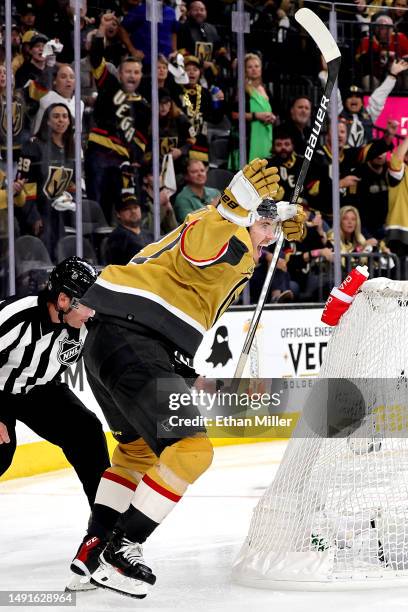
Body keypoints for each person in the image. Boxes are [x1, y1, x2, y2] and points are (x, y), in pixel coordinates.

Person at [68, 158, 306, 598]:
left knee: (136, 455)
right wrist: (235, 210)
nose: (271, 239)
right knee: (192, 450)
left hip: (111, 344)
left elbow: (207, 257)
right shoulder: (222, 229)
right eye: (266, 228)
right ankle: (124, 549)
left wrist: (280, 218)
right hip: (135, 341)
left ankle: (92, 549)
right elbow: (204, 241)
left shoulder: (237, 238)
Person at [0, 257, 110, 518]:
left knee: (87, 432)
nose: (91, 312)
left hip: (40, 390)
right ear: (63, 300)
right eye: (86, 305)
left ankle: (106, 529)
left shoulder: (86, 324)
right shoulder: (15, 316)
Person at [84, 12, 150, 223]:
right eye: (128, 72)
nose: (132, 76)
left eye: (136, 72)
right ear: (120, 74)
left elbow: (141, 138)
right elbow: (96, 58)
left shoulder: (143, 105)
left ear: (140, 76)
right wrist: (102, 28)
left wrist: (135, 160)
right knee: (98, 204)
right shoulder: (109, 85)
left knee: (123, 207)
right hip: (99, 154)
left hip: (123, 161)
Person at [16, 102, 76, 261]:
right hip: (40, 214)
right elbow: (23, 185)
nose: (61, 120)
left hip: (62, 214)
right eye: (56, 116)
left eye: (64, 116)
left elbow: (72, 183)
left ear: (70, 121)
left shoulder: (71, 147)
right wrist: (33, 217)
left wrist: (72, 199)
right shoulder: (33, 146)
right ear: (47, 121)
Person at [339, 59, 408, 147]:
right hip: (342, 158)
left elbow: (379, 97)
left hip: (363, 158)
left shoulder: (368, 115)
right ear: (345, 102)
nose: (354, 100)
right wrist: (327, 73)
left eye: (357, 97)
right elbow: (333, 95)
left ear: (362, 102)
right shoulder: (338, 114)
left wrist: (392, 75)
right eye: (350, 97)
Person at [228, 53, 276, 171]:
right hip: (247, 139)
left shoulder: (266, 90)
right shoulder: (241, 90)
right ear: (245, 70)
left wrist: (272, 118)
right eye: (250, 67)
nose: (254, 69)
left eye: (257, 66)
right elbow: (234, 115)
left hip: (266, 136)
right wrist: (256, 116)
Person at [32, 63, 84, 135]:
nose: (68, 80)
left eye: (72, 77)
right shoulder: (45, 99)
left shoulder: (80, 103)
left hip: (71, 145)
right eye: (63, 77)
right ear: (55, 81)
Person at [105, 194, 154, 265]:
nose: (133, 211)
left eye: (136, 207)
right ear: (118, 214)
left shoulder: (149, 234)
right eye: (127, 209)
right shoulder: (118, 237)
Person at [173, 158, 220, 223]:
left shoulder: (215, 193)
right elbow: (189, 223)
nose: (200, 174)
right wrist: (211, 208)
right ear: (186, 176)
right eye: (194, 172)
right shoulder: (182, 198)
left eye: (202, 170)